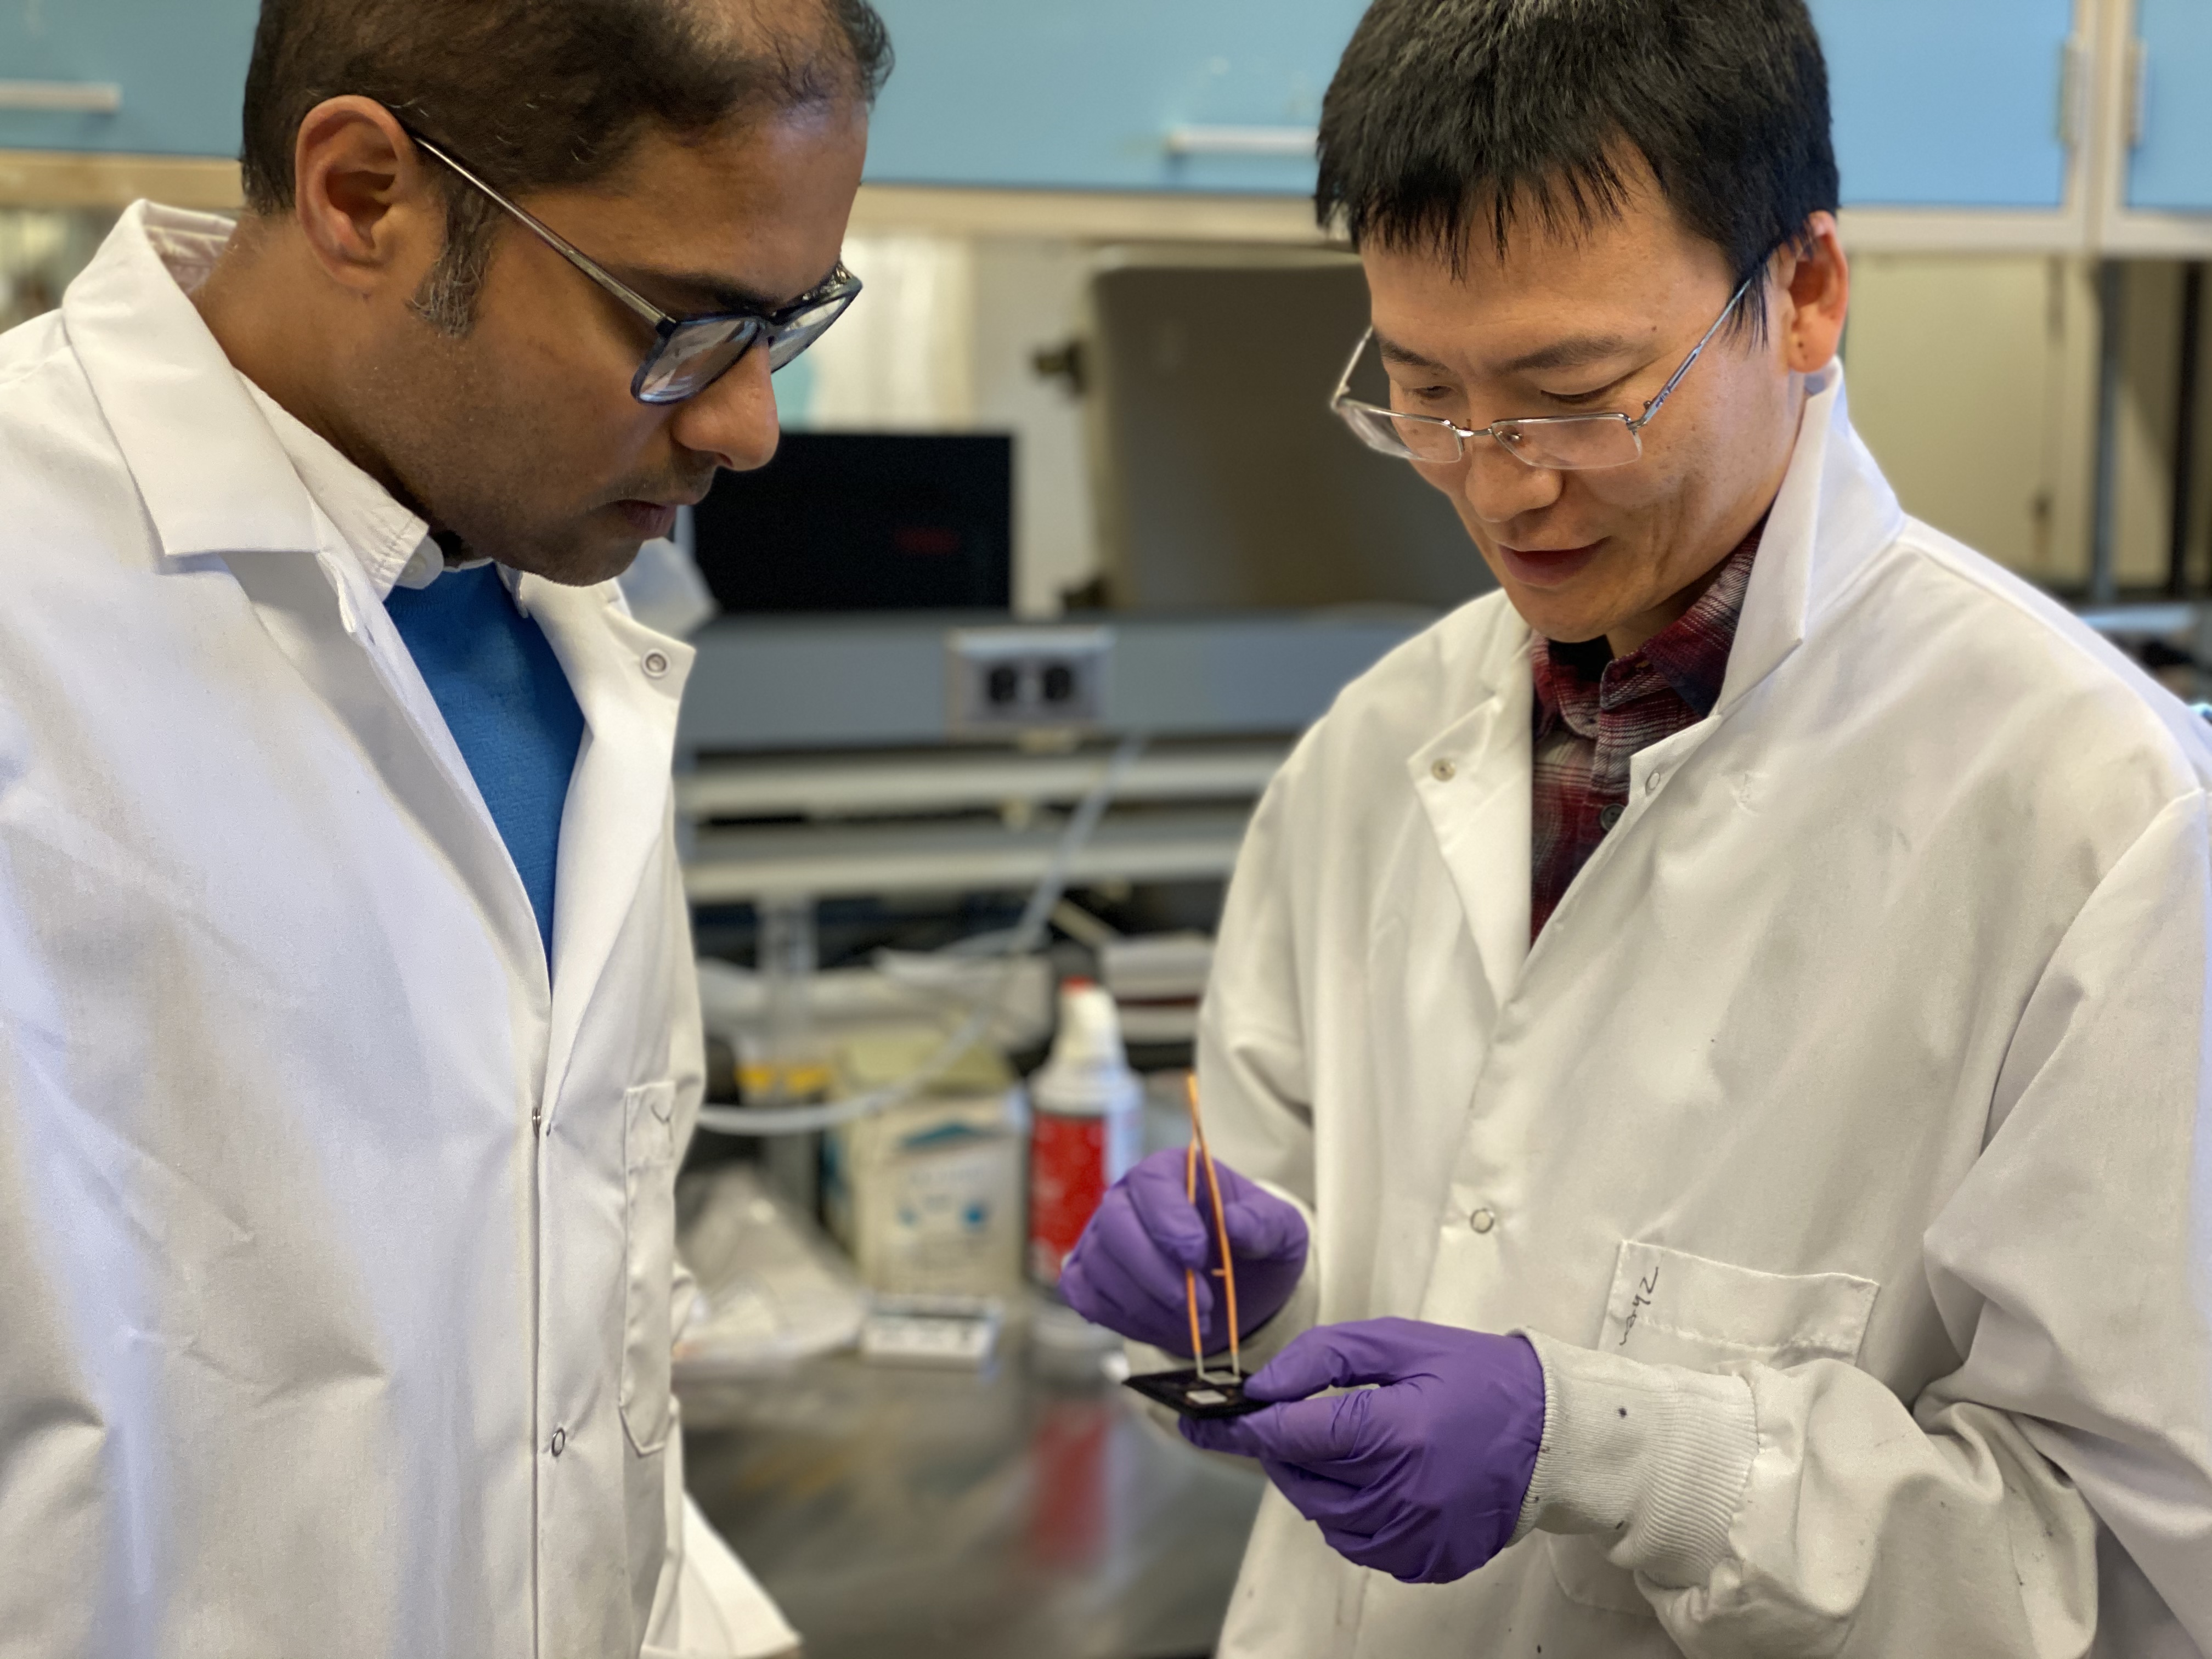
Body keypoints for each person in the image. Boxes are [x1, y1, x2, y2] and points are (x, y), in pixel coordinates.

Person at [1061, 2, 2212, 1654]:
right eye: (1424, 394)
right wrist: (1229, 1298)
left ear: (1805, 292)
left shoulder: (2100, 816)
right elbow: (1326, 1266)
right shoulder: (1377, 751)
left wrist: (1610, 1457)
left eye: (1574, 394)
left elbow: (2117, 1565)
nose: (1499, 488)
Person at [0, 1, 886, 1654]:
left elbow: (574, 1362)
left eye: (793, 321)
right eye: (686, 322)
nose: (747, 426)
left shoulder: (556, 605)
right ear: (361, 197)